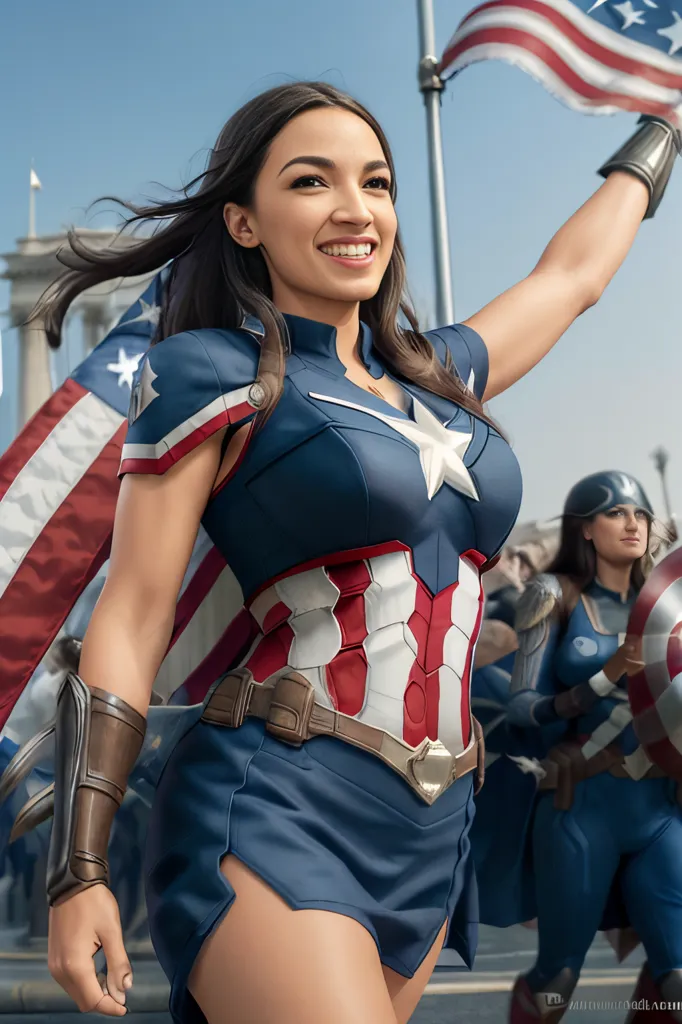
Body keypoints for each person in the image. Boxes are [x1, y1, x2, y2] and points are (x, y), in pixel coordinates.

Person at [3, 82, 678, 1024]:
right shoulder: (210, 372)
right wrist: (80, 869)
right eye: (312, 182)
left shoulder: (443, 376)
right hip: (280, 799)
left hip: (436, 826)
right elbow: (135, 613)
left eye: (377, 182)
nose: (356, 209)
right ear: (243, 221)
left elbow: (572, 277)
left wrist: (666, 126)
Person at [497, 471, 682, 1023]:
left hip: (658, 809)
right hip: (580, 809)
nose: (633, 525)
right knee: (557, 981)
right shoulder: (553, 596)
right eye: (617, 513)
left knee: (677, 979)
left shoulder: (670, 605)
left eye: (640, 515)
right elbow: (521, 704)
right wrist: (598, 682)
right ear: (584, 528)